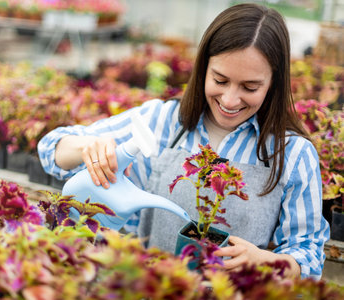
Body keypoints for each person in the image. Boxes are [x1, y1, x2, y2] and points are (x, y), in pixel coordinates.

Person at [38, 3, 329, 279]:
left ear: (273, 83)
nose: (229, 100)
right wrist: (88, 148)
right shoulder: (162, 121)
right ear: (203, 69)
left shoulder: (291, 154)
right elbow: (52, 149)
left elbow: (308, 253)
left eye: (250, 87)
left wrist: (265, 261)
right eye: (220, 80)